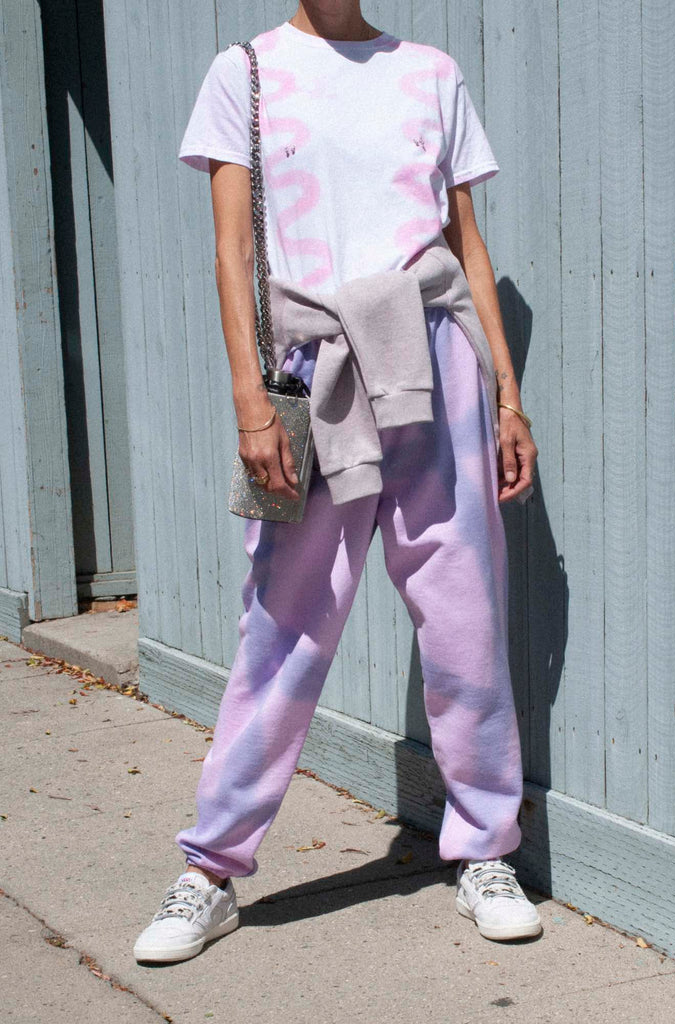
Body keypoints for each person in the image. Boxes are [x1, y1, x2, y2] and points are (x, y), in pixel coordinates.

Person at [133, 0, 540, 964]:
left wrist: (508, 397)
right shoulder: (247, 72)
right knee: (283, 627)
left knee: (466, 618)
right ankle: (212, 868)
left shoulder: (431, 72)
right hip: (313, 371)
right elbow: (233, 253)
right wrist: (249, 405)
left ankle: (483, 850)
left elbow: (465, 245)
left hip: (436, 363)